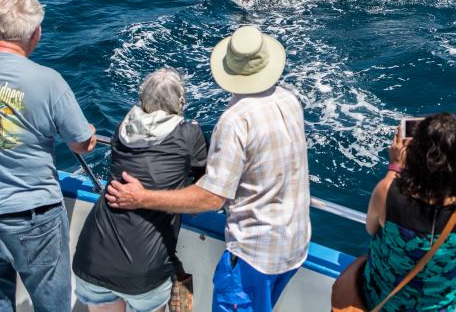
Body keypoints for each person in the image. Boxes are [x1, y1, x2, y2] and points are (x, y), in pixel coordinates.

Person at [105, 25, 311, 312]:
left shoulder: (235, 120)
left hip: (254, 256)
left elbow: (211, 198)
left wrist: (142, 198)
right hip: (294, 244)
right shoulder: (289, 100)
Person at [0, 0, 97, 312]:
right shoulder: (48, 80)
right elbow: (81, 143)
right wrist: (90, 135)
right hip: (34, 222)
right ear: (35, 34)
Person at [73, 68, 207, 312]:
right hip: (143, 270)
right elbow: (204, 181)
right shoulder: (189, 133)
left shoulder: (123, 127)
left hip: (92, 257)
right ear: (180, 101)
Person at [363, 113, 456, 311]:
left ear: (415, 156)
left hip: (381, 302)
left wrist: (394, 167)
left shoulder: (387, 192)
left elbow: (371, 229)